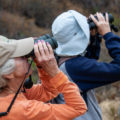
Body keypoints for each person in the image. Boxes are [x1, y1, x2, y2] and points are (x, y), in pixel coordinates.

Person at [51, 10, 120, 120]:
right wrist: (108, 35)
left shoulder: (59, 59)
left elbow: (88, 62)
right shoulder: (76, 67)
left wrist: (93, 38)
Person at [0, 36, 87, 120]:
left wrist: (41, 66)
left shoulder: (12, 91)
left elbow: (49, 91)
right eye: (21, 56)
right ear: (8, 73)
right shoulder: (25, 110)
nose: (27, 57)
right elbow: (77, 108)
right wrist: (55, 73)